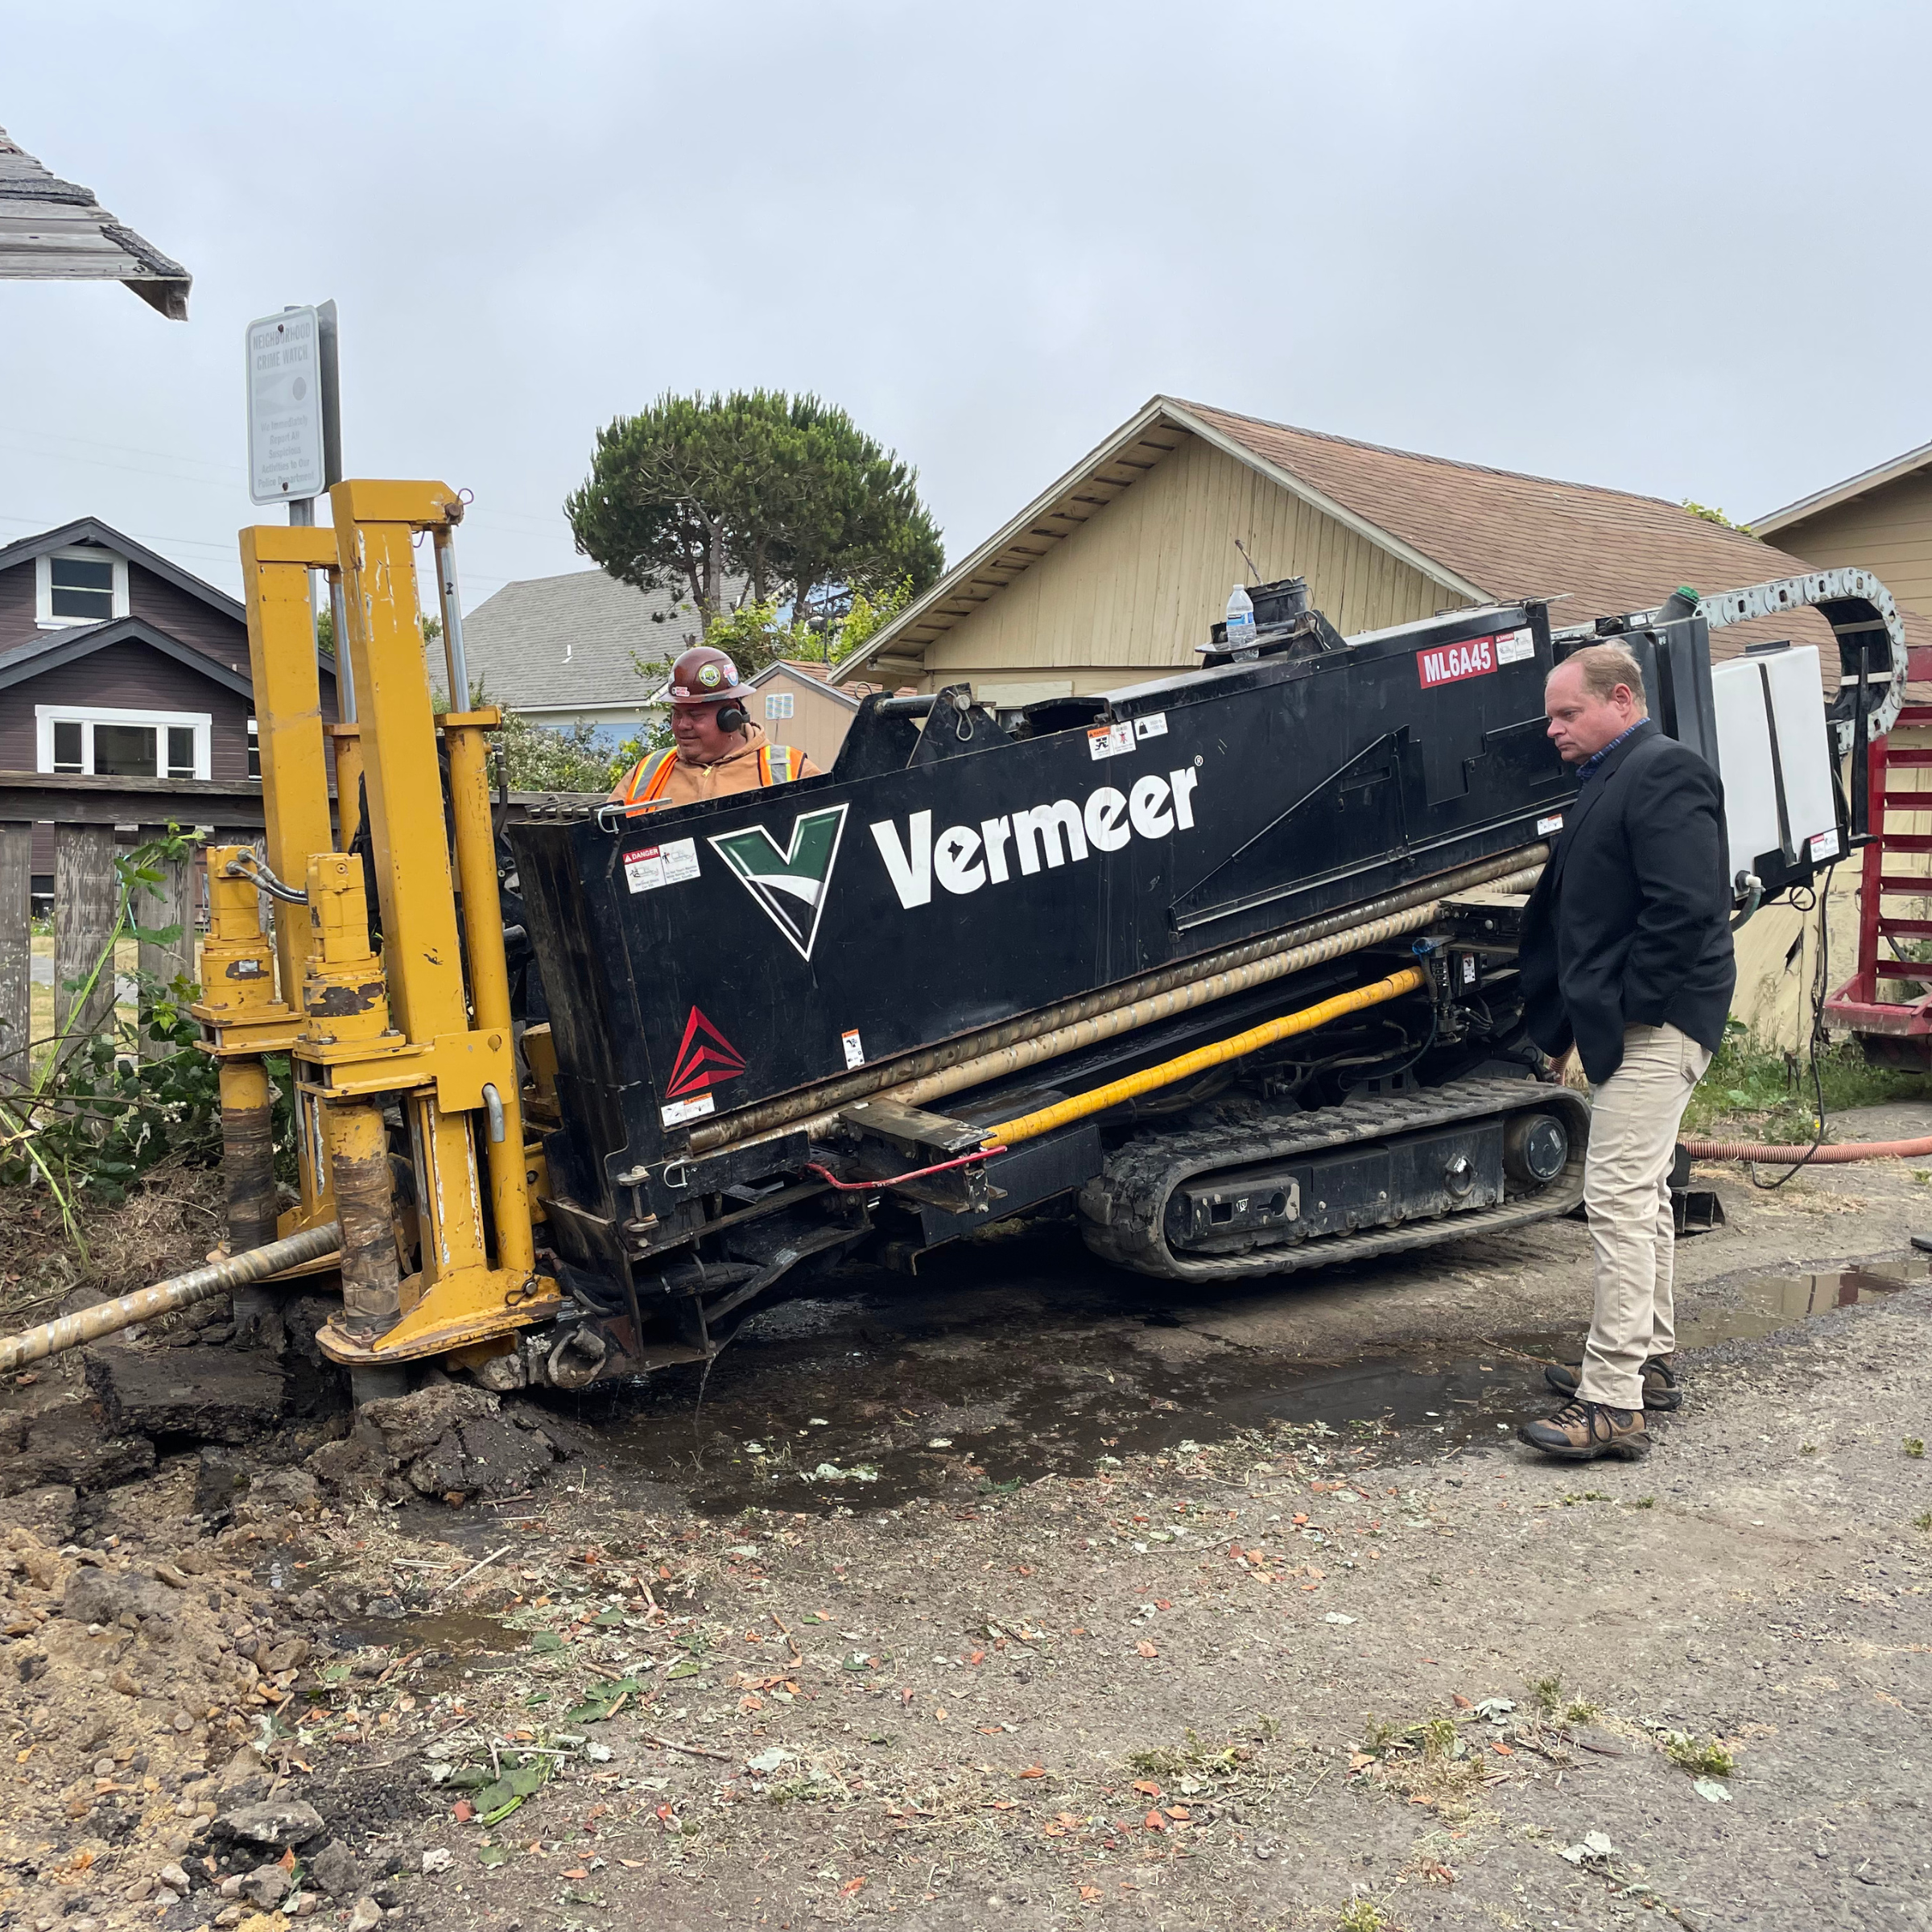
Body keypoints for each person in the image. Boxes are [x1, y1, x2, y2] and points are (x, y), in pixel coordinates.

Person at [1517, 640, 1736, 1462]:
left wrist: (1625, 1014)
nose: (1552, 729)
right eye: (1550, 715)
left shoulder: (1664, 771)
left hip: (1661, 1019)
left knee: (1611, 1197)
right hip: (1637, 1019)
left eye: (1567, 713)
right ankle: (1649, 1363)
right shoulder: (1612, 776)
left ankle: (1611, 1404)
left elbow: (1686, 910)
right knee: (1639, 1196)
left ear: (1621, 699)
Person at [610, 646, 820, 815]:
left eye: (695, 715)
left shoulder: (790, 771)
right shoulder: (649, 772)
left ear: (730, 717)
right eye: (677, 714)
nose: (682, 725)